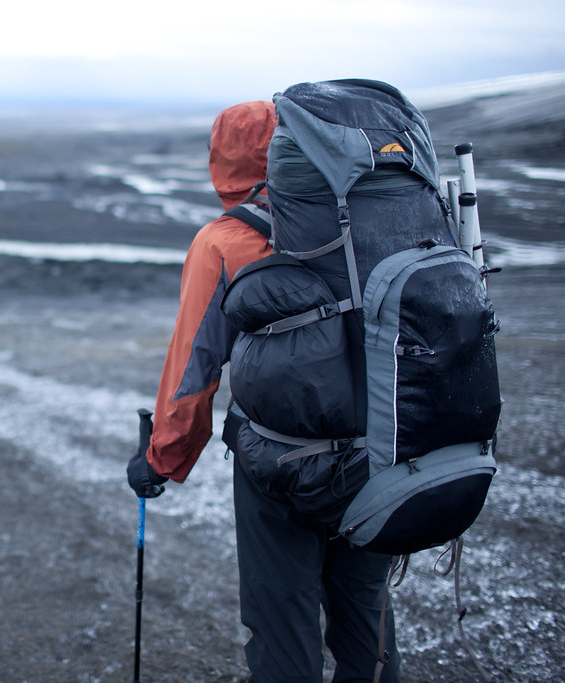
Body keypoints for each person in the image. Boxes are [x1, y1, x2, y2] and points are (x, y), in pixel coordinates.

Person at [126, 100, 401, 682]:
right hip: (378, 455)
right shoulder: (365, 222)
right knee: (366, 619)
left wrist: (161, 459)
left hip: (275, 464)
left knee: (282, 622)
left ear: (222, 159)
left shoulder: (223, 242)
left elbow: (193, 371)